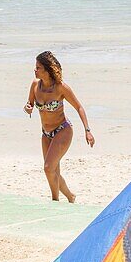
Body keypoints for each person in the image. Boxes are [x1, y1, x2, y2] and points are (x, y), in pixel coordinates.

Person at [23, 51, 94, 202]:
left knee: (48, 168)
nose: (34, 70)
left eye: (38, 67)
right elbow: (29, 103)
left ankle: (55, 201)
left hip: (63, 130)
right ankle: (70, 196)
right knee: (52, 170)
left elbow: (79, 107)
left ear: (47, 70)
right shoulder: (35, 85)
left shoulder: (61, 87)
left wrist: (87, 131)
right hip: (46, 133)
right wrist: (28, 107)